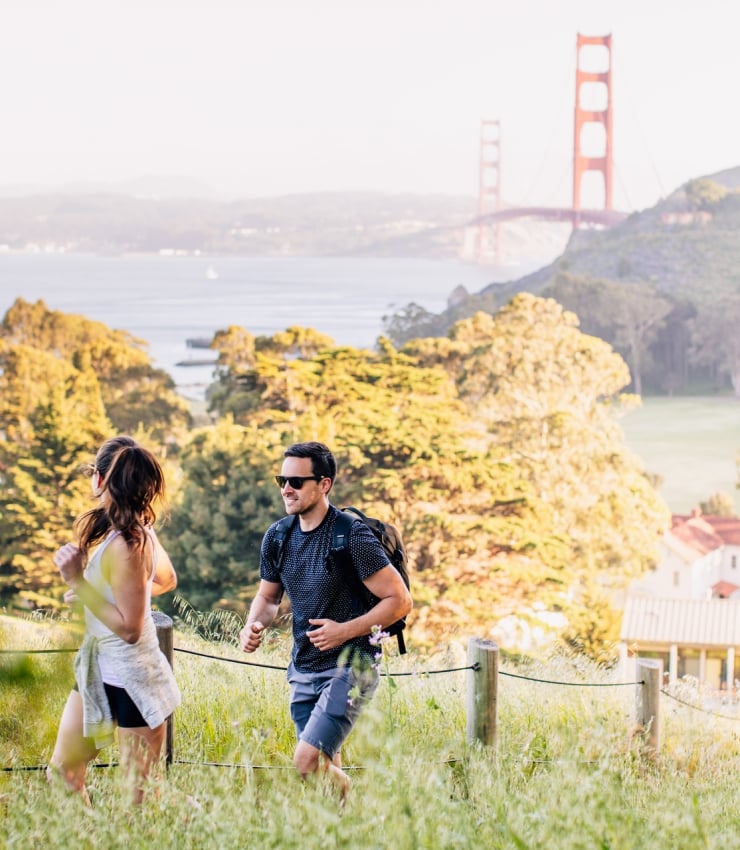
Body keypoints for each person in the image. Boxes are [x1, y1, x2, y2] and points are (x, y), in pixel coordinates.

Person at [239, 441, 412, 799]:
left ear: (324, 484)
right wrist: (253, 624)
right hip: (303, 668)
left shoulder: (351, 536)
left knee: (306, 762)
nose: (287, 488)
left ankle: (353, 798)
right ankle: (343, 829)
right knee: (323, 767)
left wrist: (343, 632)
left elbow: (399, 601)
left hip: (352, 666)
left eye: (297, 481)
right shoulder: (278, 536)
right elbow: (268, 598)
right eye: (282, 480)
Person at [47, 435, 181, 805]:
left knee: (140, 799)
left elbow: (130, 628)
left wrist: (80, 585)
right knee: (63, 772)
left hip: (134, 680)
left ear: (101, 478)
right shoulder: (125, 530)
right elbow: (164, 581)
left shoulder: (131, 541)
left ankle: (210, 830)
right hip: (98, 673)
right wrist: (98, 597)